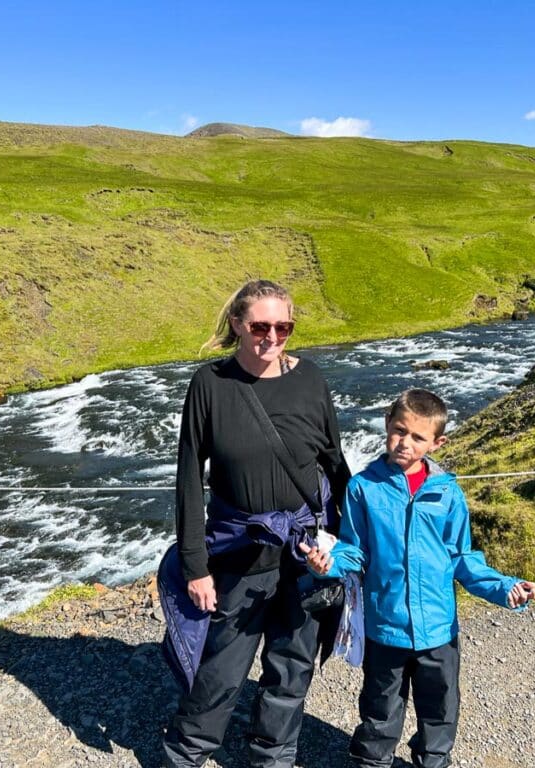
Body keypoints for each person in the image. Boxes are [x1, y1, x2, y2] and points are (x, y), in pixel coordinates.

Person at [160, 279, 352, 768]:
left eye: (283, 327)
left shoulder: (311, 379)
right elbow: (188, 478)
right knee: (221, 668)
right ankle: (186, 754)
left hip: (305, 551)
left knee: (292, 665)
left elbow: (335, 464)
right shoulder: (210, 384)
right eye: (260, 326)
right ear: (238, 326)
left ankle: (273, 758)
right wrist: (194, 566)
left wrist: (348, 546)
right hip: (239, 551)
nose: (272, 336)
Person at [301, 388, 535, 768]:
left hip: (439, 631)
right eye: (398, 431)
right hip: (384, 627)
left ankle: (432, 762)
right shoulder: (363, 488)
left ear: (436, 442)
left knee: (440, 711)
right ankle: (372, 762)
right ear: (386, 426)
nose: (404, 443)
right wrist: (328, 563)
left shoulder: (448, 493)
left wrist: (505, 587)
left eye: (417, 437)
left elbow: (463, 558)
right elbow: (353, 549)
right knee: (380, 709)